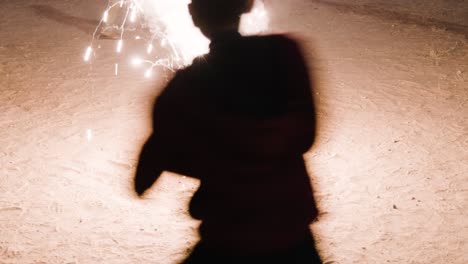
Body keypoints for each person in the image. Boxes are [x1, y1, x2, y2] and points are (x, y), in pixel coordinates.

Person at [133, 0, 323, 263]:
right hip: (293, 240)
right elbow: (306, 135)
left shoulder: (185, 85)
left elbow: (143, 179)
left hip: (226, 243)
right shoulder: (286, 51)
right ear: (247, 6)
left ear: (193, 14)